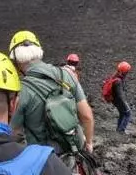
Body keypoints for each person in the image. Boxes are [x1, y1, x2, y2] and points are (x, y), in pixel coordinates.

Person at [8, 31, 95, 162]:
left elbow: (15, 134)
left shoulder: (20, 90)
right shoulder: (66, 75)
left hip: (43, 163)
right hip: (73, 154)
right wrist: (88, 144)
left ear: (15, 61)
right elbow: (86, 116)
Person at [103, 61, 132, 134]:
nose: (127, 73)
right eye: (127, 72)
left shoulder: (115, 77)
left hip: (114, 100)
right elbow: (120, 95)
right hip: (118, 100)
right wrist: (125, 104)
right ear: (124, 72)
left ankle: (118, 129)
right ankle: (121, 130)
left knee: (122, 113)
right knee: (128, 113)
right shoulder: (118, 81)